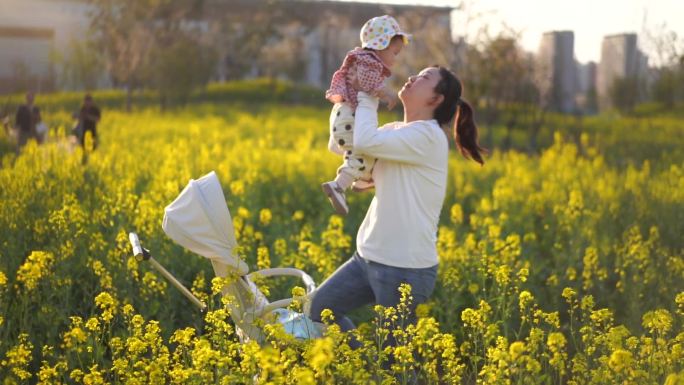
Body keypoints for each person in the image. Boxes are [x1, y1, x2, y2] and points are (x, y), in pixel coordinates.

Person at [310, 66, 486, 352]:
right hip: (366, 257)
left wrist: (368, 97)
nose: (413, 78)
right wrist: (346, 101)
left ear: (436, 99)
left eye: (424, 78)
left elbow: (366, 141)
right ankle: (363, 368)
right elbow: (344, 147)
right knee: (318, 310)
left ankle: (372, 371)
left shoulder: (428, 137)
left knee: (396, 363)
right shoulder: (395, 132)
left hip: (405, 269)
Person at [321, 15, 411, 216]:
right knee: (363, 153)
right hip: (349, 118)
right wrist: (387, 94)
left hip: (340, 115)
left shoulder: (360, 58)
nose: (396, 59)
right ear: (381, 46)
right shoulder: (369, 62)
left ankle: (362, 178)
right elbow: (367, 84)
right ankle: (339, 186)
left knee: (361, 153)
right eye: (395, 52)